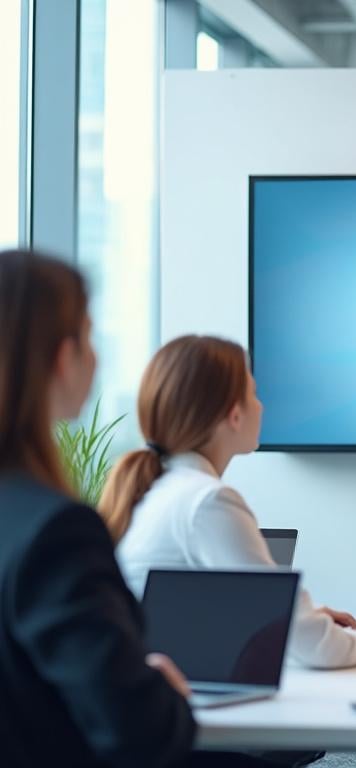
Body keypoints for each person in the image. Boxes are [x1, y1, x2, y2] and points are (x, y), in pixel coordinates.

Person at [0, 249, 266, 768]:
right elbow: (137, 730)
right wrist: (163, 688)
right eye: (89, 333)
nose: (97, 357)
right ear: (63, 357)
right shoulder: (55, 531)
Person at [101, 335, 356, 668]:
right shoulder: (208, 501)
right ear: (235, 415)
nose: (261, 405)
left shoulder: (161, 489)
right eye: (253, 394)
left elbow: (209, 616)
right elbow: (318, 650)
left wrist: (302, 617)